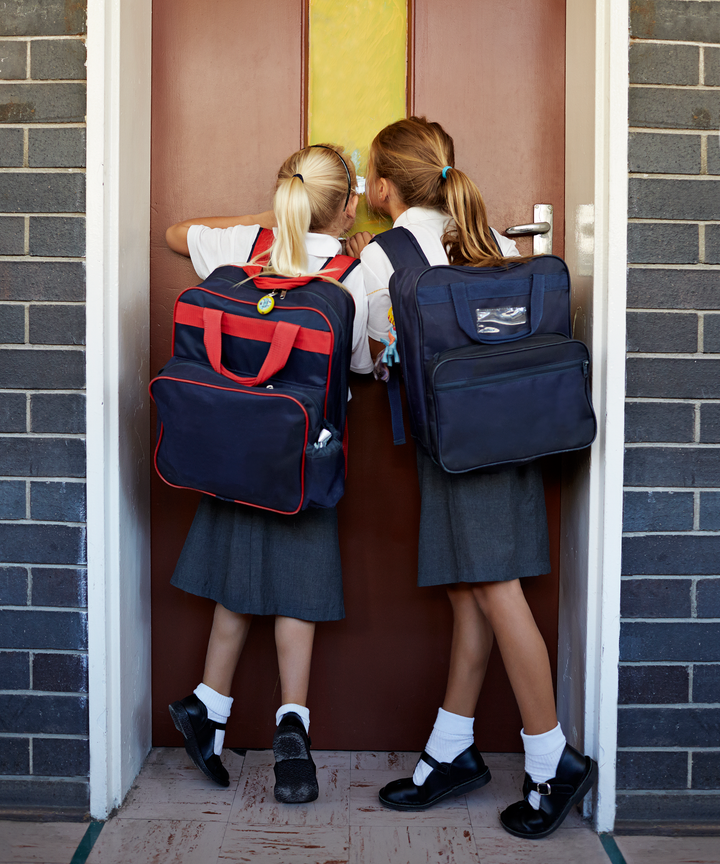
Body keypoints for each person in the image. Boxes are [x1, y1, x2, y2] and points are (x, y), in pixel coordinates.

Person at [348, 117, 597, 839]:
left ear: (385, 189)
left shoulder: (384, 257)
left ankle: (552, 760)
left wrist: (374, 293)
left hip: (456, 446)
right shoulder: (478, 236)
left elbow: (369, 364)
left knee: (492, 588)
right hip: (511, 435)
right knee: (470, 592)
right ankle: (451, 751)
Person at [164, 144, 372, 804]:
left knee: (235, 574)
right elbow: (362, 366)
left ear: (285, 190)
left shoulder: (238, 245)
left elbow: (172, 234)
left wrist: (269, 221)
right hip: (304, 454)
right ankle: (291, 732)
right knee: (298, 593)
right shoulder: (352, 273)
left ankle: (208, 707)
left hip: (227, 443)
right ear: (347, 207)